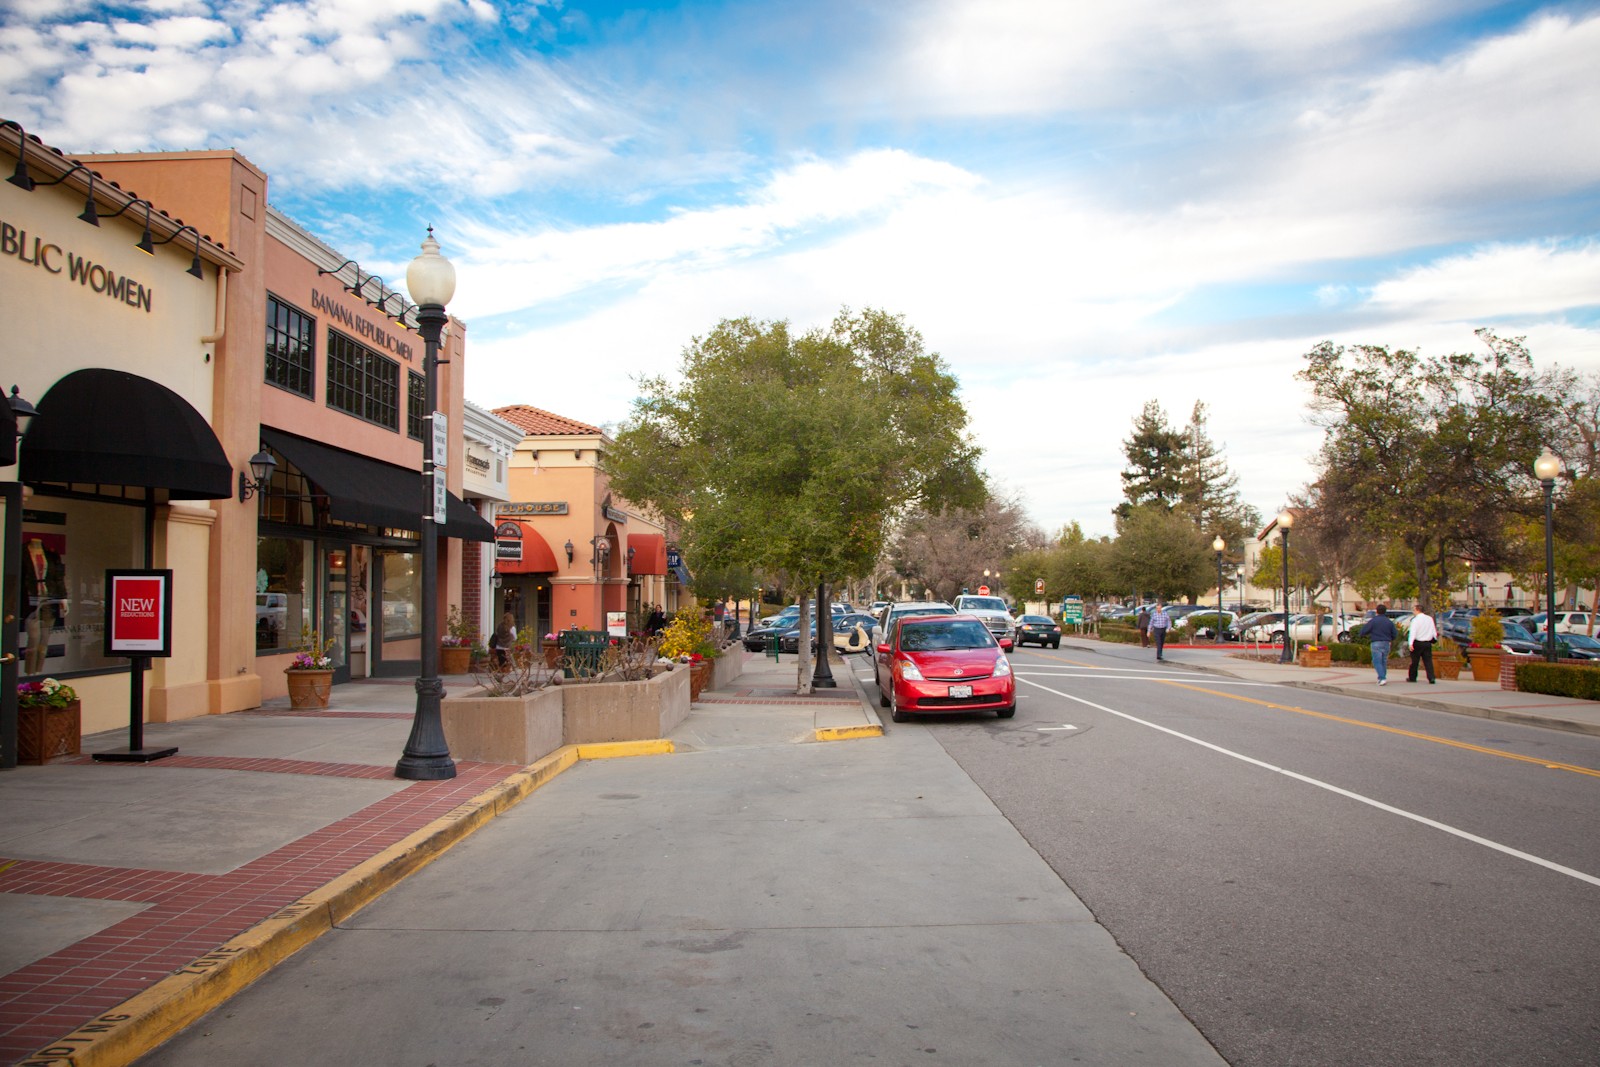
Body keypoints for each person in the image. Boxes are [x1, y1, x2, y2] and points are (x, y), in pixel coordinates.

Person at [1358, 604, 1398, 685]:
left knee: (1377, 661)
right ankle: (1382, 677)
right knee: (1383, 661)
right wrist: (1390, 639)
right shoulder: (1389, 622)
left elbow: (1364, 631)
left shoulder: (1374, 621)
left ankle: (1382, 678)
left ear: (1377, 611)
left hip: (1376, 642)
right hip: (1386, 642)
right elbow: (1395, 633)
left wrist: (1362, 634)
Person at [1407, 604, 1438, 684]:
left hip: (1417, 642)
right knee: (1428, 661)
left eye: (1414, 610)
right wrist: (1434, 638)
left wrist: (1410, 643)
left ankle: (1412, 677)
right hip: (1427, 643)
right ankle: (1431, 677)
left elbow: (1413, 632)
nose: (1413, 612)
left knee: (1415, 661)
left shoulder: (1415, 620)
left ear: (1417, 610)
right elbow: (1433, 630)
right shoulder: (1429, 619)